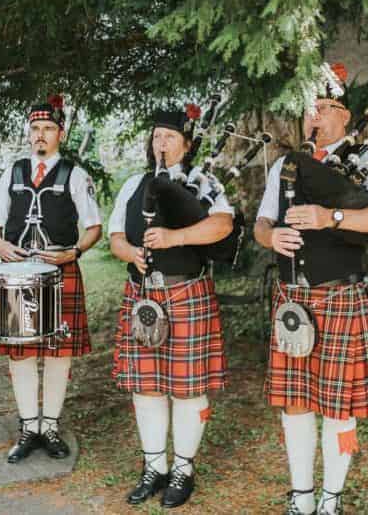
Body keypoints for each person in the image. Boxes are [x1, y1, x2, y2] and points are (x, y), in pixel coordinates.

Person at [254, 63, 368, 515]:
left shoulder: (366, 159)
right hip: (292, 295)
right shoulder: (285, 164)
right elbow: (262, 223)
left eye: (323, 108)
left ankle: (330, 499)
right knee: (295, 402)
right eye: (309, 110)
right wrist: (271, 237)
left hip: (341, 294)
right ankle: (302, 497)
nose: (314, 117)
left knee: (338, 405)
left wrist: (332, 217)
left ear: (344, 116)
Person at [108, 105, 233, 509]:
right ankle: (155, 466)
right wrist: (131, 253)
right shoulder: (135, 183)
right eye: (157, 136)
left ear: (187, 145)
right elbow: (115, 236)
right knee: (146, 387)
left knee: (188, 388)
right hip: (143, 295)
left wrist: (174, 238)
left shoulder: (203, 181)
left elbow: (222, 225)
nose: (161, 143)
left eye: (170, 137)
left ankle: (183, 469)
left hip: (186, 293)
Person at [0, 95, 102, 464]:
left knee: (57, 354)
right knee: (21, 355)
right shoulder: (13, 172)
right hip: (17, 273)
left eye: (48, 128)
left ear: (60, 134)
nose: (41, 134)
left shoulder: (74, 175)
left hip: (60, 272)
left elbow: (94, 227)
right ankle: (28, 427)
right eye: (35, 128)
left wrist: (75, 252)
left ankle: (50, 426)